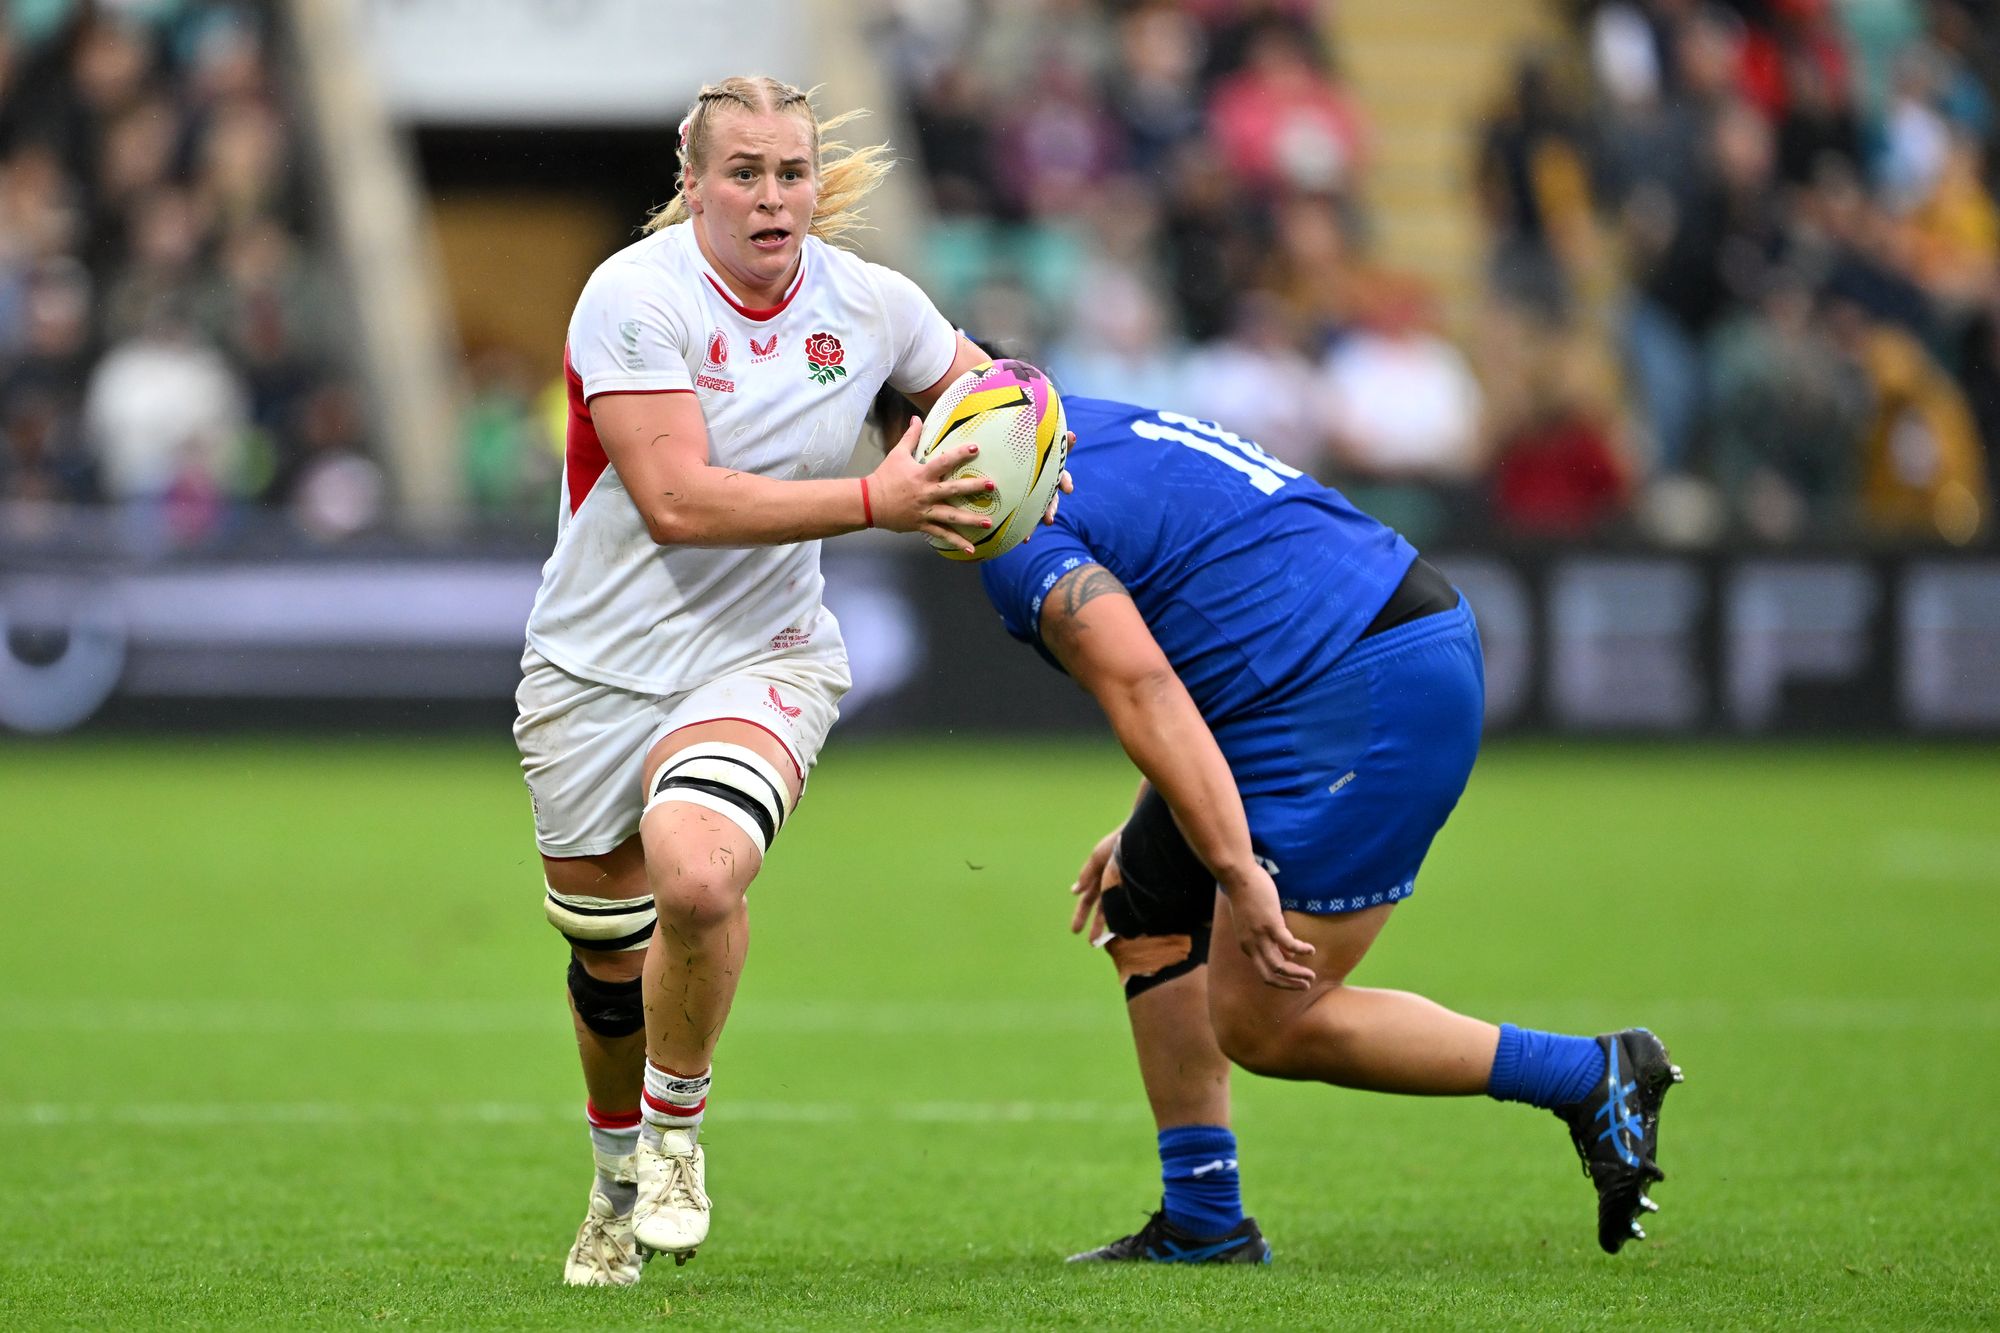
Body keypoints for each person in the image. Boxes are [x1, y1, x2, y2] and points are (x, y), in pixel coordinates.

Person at [969, 385, 1683, 1264]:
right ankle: (1204, 1220)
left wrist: (1236, 869)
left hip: (1355, 689)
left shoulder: (1007, 515)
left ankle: (1587, 1074)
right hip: (1338, 653)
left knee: (1267, 1018)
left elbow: (1144, 685)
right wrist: (1151, 820)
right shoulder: (1058, 411)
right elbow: (1213, 598)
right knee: (1144, 899)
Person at [515, 76, 1029, 1287]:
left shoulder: (872, 304)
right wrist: (877, 498)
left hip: (763, 655)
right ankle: (615, 1179)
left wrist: (1018, 460)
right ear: (693, 182)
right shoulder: (633, 297)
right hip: (592, 668)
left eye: (789, 172)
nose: (770, 195)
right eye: (742, 172)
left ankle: (673, 1137)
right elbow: (676, 501)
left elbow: (996, 401)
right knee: (607, 962)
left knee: (698, 874)